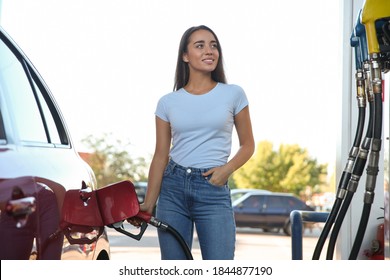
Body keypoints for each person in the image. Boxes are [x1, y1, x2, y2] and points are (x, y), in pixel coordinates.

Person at [130, 25, 255, 260]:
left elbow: (248, 145)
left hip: (213, 189)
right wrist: (148, 202)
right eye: (200, 45)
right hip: (173, 190)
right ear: (185, 56)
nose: (209, 51)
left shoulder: (233, 94)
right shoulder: (167, 102)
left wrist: (226, 170)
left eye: (213, 45)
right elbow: (160, 155)